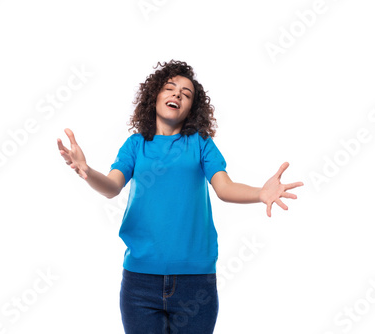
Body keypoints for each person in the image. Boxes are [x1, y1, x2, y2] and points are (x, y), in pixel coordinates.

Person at [57, 60, 304, 333]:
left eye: (186, 94)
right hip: (140, 282)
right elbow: (112, 186)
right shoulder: (135, 145)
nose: (177, 94)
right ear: (155, 97)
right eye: (170, 88)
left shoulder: (200, 143)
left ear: (191, 109)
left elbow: (224, 188)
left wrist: (261, 193)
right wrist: (87, 171)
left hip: (195, 283)